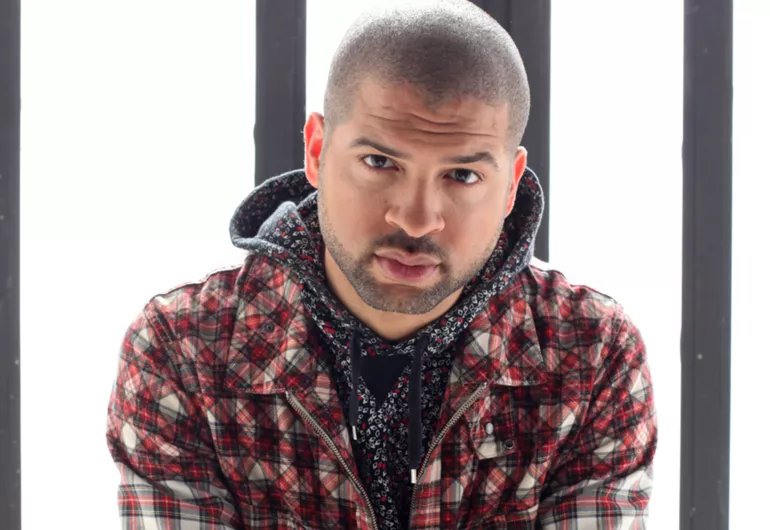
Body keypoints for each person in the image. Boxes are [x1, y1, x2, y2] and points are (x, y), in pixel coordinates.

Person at [105, 1, 657, 528]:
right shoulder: (184, 349)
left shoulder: (590, 352)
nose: (416, 219)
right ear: (317, 151)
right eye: (379, 161)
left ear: (510, 184)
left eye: (462, 175)